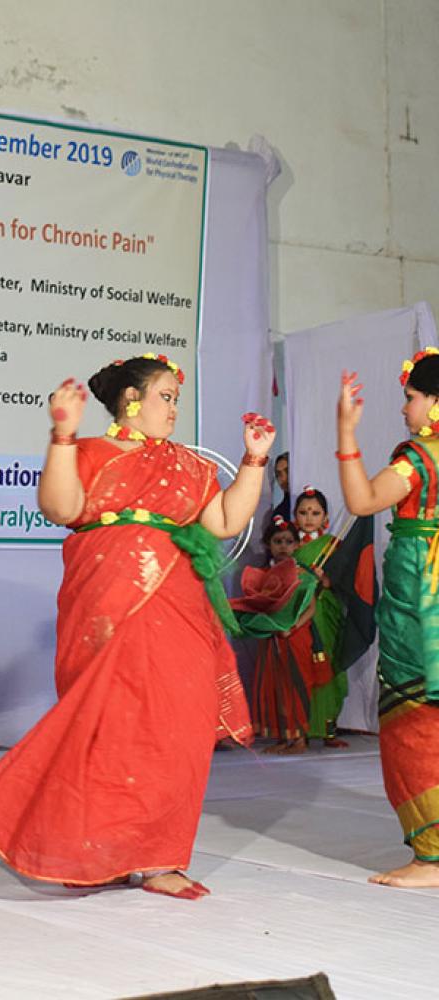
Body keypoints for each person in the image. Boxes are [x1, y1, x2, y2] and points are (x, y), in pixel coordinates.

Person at [0, 356, 273, 900]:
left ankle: (160, 858)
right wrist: (62, 435)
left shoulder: (191, 466)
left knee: (177, 727)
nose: (173, 409)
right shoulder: (89, 453)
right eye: (165, 397)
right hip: (106, 604)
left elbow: (223, 520)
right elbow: (62, 508)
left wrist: (254, 460)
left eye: (176, 399)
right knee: (107, 730)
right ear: (131, 399)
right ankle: (96, 853)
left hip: (179, 606)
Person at [337, 354, 439, 887]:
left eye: (411, 398)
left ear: (435, 403)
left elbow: (362, 500)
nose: (405, 409)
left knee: (413, 717)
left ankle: (432, 857)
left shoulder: (419, 460)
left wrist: (346, 431)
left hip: (422, 601)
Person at [237, 515, 324, 755]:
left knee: (295, 685)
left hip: (295, 637)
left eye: (288, 541)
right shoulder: (264, 574)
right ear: (268, 544)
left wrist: (291, 629)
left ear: (297, 545)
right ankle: (284, 737)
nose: (283, 546)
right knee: (273, 687)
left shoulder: (301, 573)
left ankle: (300, 739)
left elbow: (311, 608)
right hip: (272, 636)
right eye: (278, 541)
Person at [293, 486, 349, 748]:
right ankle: (300, 729)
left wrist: (324, 579)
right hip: (297, 615)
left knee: (328, 664)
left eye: (315, 513)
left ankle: (328, 729)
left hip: (325, 612)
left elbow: (344, 580)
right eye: (303, 512)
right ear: (295, 516)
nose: (309, 518)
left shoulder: (332, 546)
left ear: (325, 517)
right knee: (300, 668)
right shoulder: (288, 545)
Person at [272, 451, 291, 523]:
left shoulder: (316, 503)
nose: (283, 478)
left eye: (287, 471)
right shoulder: (279, 515)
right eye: (278, 474)